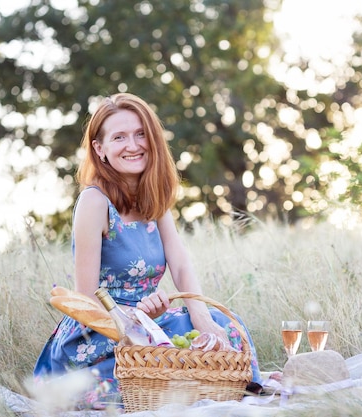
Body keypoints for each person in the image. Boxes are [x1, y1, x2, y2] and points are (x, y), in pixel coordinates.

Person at [33, 92, 263, 410]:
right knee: (153, 363)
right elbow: (86, 299)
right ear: (99, 150)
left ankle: (223, 386)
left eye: (140, 134)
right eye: (119, 137)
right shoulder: (94, 202)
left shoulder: (151, 196)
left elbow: (180, 263)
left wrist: (200, 316)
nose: (133, 145)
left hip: (150, 322)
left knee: (222, 325)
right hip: (104, 330)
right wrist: (139, 317)